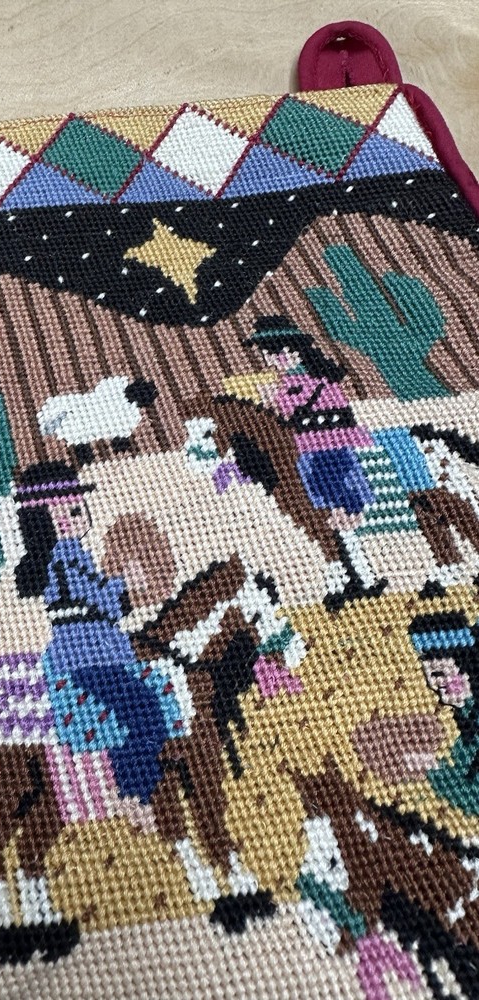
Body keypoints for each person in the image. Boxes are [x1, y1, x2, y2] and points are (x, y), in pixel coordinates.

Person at [14, 462, 179, 811]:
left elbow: (98, 593)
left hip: (99, 653)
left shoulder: (73, 555)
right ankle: (136, 793)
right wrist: (128, 584)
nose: (79, 515)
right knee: (145, 713)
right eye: (71, 510)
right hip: (87, 659)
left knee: (149, 695)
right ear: (47, 521)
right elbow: (103, 599)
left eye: (79, 508)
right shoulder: (64, 560)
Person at [245, 315, 386, 608]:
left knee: (338, 518)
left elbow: (294, 416)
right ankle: (357, 578)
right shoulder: (297, 382)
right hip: (317, 455)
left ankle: (356, 579)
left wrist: (273, 401)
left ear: (295, 350)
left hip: (325, 455)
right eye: (268, 353)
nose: (274, 358)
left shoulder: (306, 383)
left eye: (278, 351)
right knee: (335, 521)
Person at [408, 610, 479, 813]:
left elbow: (468, 791)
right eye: (430, 676)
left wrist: (432, 769)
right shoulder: (466, 718)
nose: (435, 684)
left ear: (466, 667)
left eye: (440, 673)